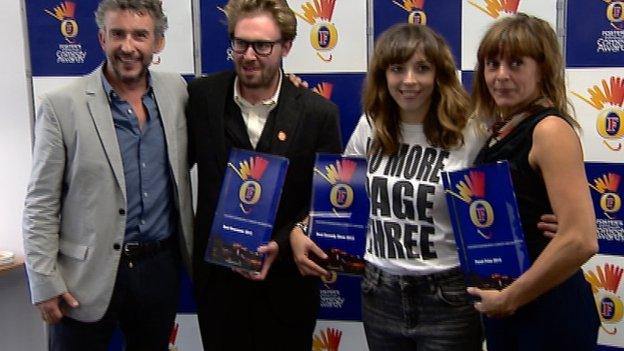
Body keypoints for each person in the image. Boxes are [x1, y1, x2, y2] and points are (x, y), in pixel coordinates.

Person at [290, 23, 563, 351]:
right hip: (379, 293)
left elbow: (523, 164)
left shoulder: (473, 128)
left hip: (448, 296)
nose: (408, 80)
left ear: (440, 74)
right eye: (396, 69)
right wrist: (300, 228)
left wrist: (553, 215)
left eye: (422, 68)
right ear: (382, 75)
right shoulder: (372, 124)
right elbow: (341, 197)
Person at [22, 0, 193, 350]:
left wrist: (289, 83)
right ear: (102, 38)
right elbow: (41, 202)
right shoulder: (61, 105)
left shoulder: (177, 91)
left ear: (157, 43)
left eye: (140, 35)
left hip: (159, 268)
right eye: (118, 34)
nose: (128, 46)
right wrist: (43, 280)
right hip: (84, 277)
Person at [185, 0, 342, 349]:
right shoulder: (200, 97)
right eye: (240, 43)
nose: (249, 56)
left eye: (263, 46)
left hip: (288, 287)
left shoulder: (319, 114)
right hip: (219, 288)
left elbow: (329, 204)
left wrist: (284, 242)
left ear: (286, 46)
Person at [467, 13, 600, 350]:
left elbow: (580, 240)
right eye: (492, 64)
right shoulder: (501, 128)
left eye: (516, 63)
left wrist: (510, 297)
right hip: (511, 306)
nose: (501, 76)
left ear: (542, 68)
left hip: (546, 310)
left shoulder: (549, 129)